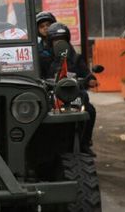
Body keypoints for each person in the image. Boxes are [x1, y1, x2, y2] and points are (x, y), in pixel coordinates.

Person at [41, 22, 98, 157]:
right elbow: (40, 76)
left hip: (74, 95)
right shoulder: (44, 58)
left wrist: (91, 79)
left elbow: (86, 73)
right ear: (50, 42)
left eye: (62, 40)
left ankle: (84, 142)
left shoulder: (75, 57)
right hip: (51, 96)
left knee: (90, 110)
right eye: (55, 41)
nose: (59, 44)